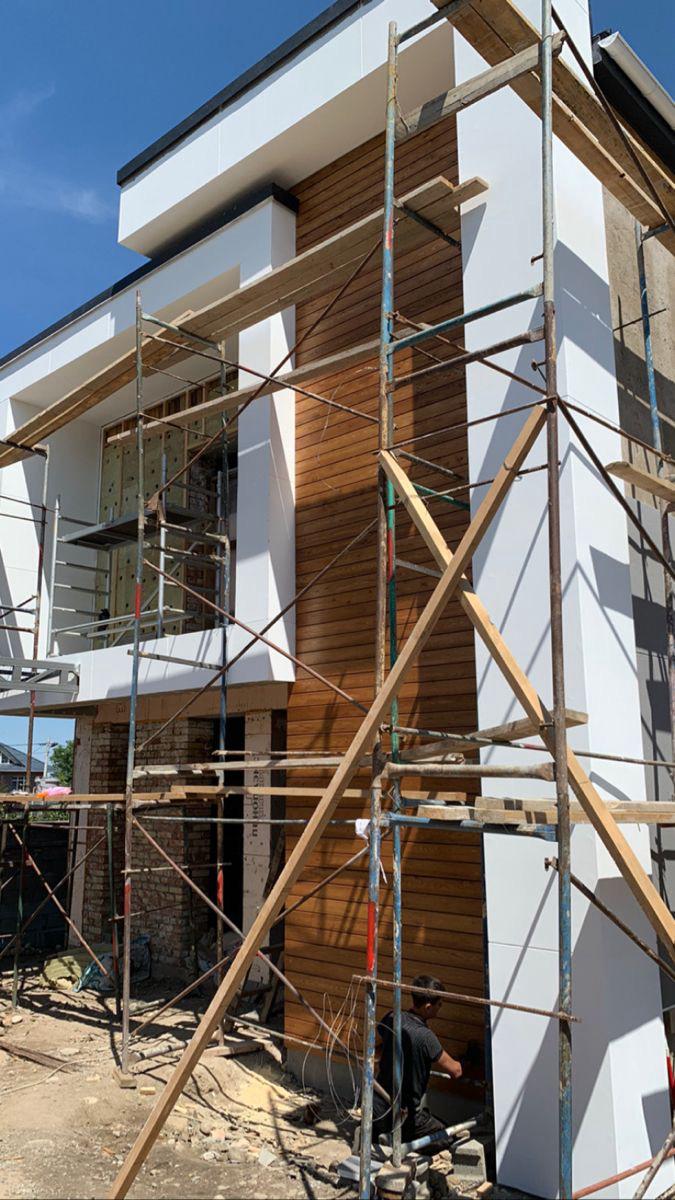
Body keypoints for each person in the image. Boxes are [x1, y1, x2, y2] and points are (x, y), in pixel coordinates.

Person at [371, 974, 463, 1155]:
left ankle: (386, 1135)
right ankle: (398, 1139)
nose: (440, 1008)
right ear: (428, 1007)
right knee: (447, 1137)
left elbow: (378, 1050)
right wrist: (465, 1061)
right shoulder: (425, 1037)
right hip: (407, 1115)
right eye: (439, 1004)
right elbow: (456, 1071)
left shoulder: (392, 1017)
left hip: (379, 1106)